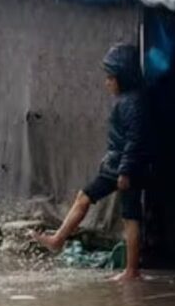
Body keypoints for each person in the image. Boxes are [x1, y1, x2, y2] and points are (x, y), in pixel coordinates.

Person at [33, 43, 148, 282]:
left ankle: (60, 240)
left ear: (122, 78)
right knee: (127, 214)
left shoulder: (131, 103)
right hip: (121, 165)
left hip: (122, 167)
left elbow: (134, 139)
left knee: (99, 203)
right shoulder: (131, 100)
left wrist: (124, 170)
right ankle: (131, 270)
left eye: (110, 78)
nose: (107, 83)